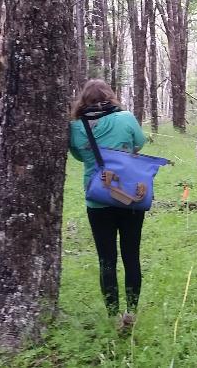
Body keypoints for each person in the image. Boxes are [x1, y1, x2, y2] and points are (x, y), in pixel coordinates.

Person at [68, 79, 147, 330]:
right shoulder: (126, 117)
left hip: (97, 200)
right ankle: (131, 313)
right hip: (130, 197)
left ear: (83, 100)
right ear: (110, 96)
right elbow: (140, 142)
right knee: (131, 255)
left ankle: (112, 315)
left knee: (106, 259)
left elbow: (79, 156)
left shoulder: (76, 126)